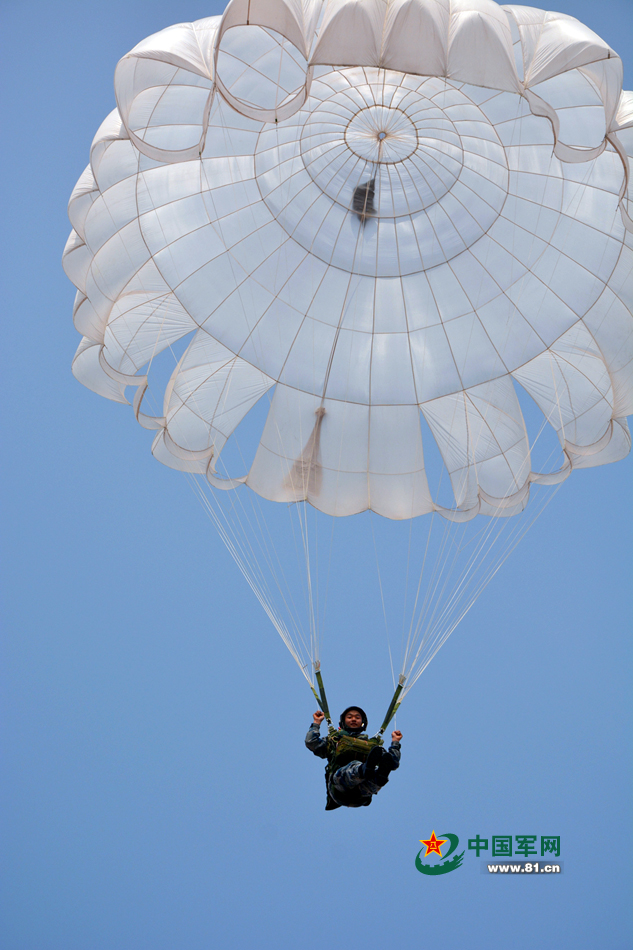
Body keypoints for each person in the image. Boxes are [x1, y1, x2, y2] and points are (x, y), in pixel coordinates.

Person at [305, 705, 402, 810]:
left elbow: (392, 763)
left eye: (357, 717)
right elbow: (311, 742)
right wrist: (316, 722)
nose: (354, 719)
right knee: (354, 766)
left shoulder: (371, 746)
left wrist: (395, 742)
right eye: (349, 717)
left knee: (376, 771)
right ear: (343, 721)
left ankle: (379, 777)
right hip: (340, 789)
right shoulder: (335, 740)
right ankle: (365, 770)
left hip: (361, 796)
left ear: (362, 722)